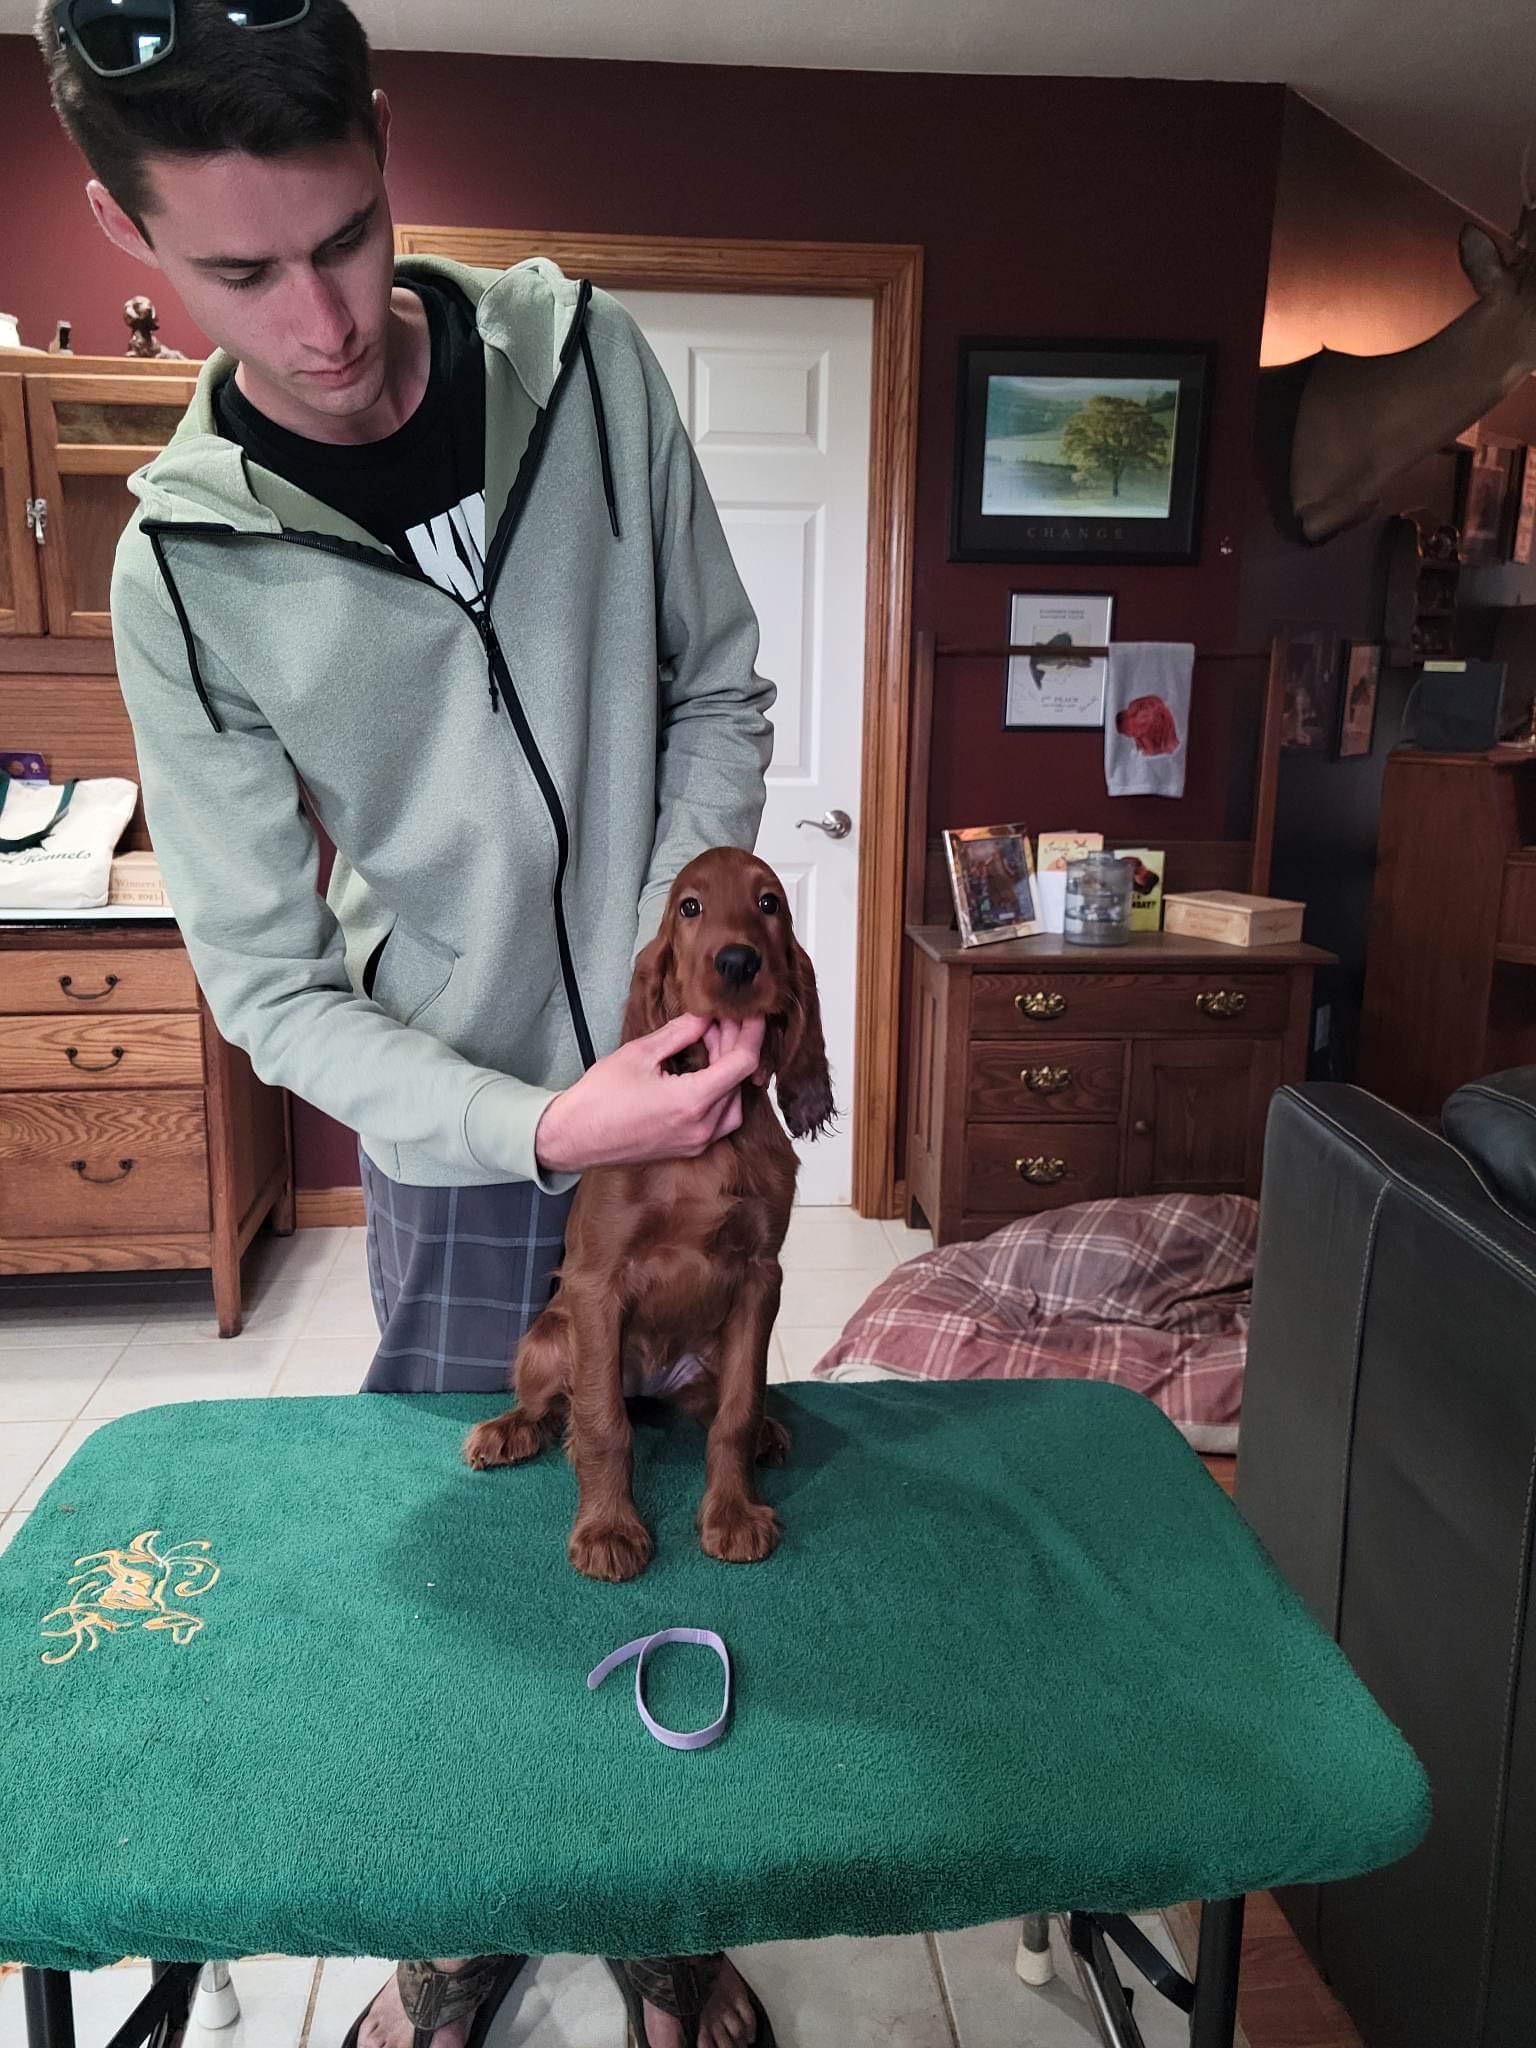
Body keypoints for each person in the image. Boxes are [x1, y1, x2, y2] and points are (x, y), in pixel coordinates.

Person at [38, 3, 779, 2044]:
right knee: (482, 1558)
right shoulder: (182, 567)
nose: (324, 326)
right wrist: (537, 1124)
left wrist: (667, 1008)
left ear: (383, 144)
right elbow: (268, 982)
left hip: (685, 1100)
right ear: (127, 235)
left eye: (348, 238)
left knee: (671, 1513)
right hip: (462, 1147)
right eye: (240, 272)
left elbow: (716, 684)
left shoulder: (589, 364)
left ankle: (655, 1911)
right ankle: (462, 1928)